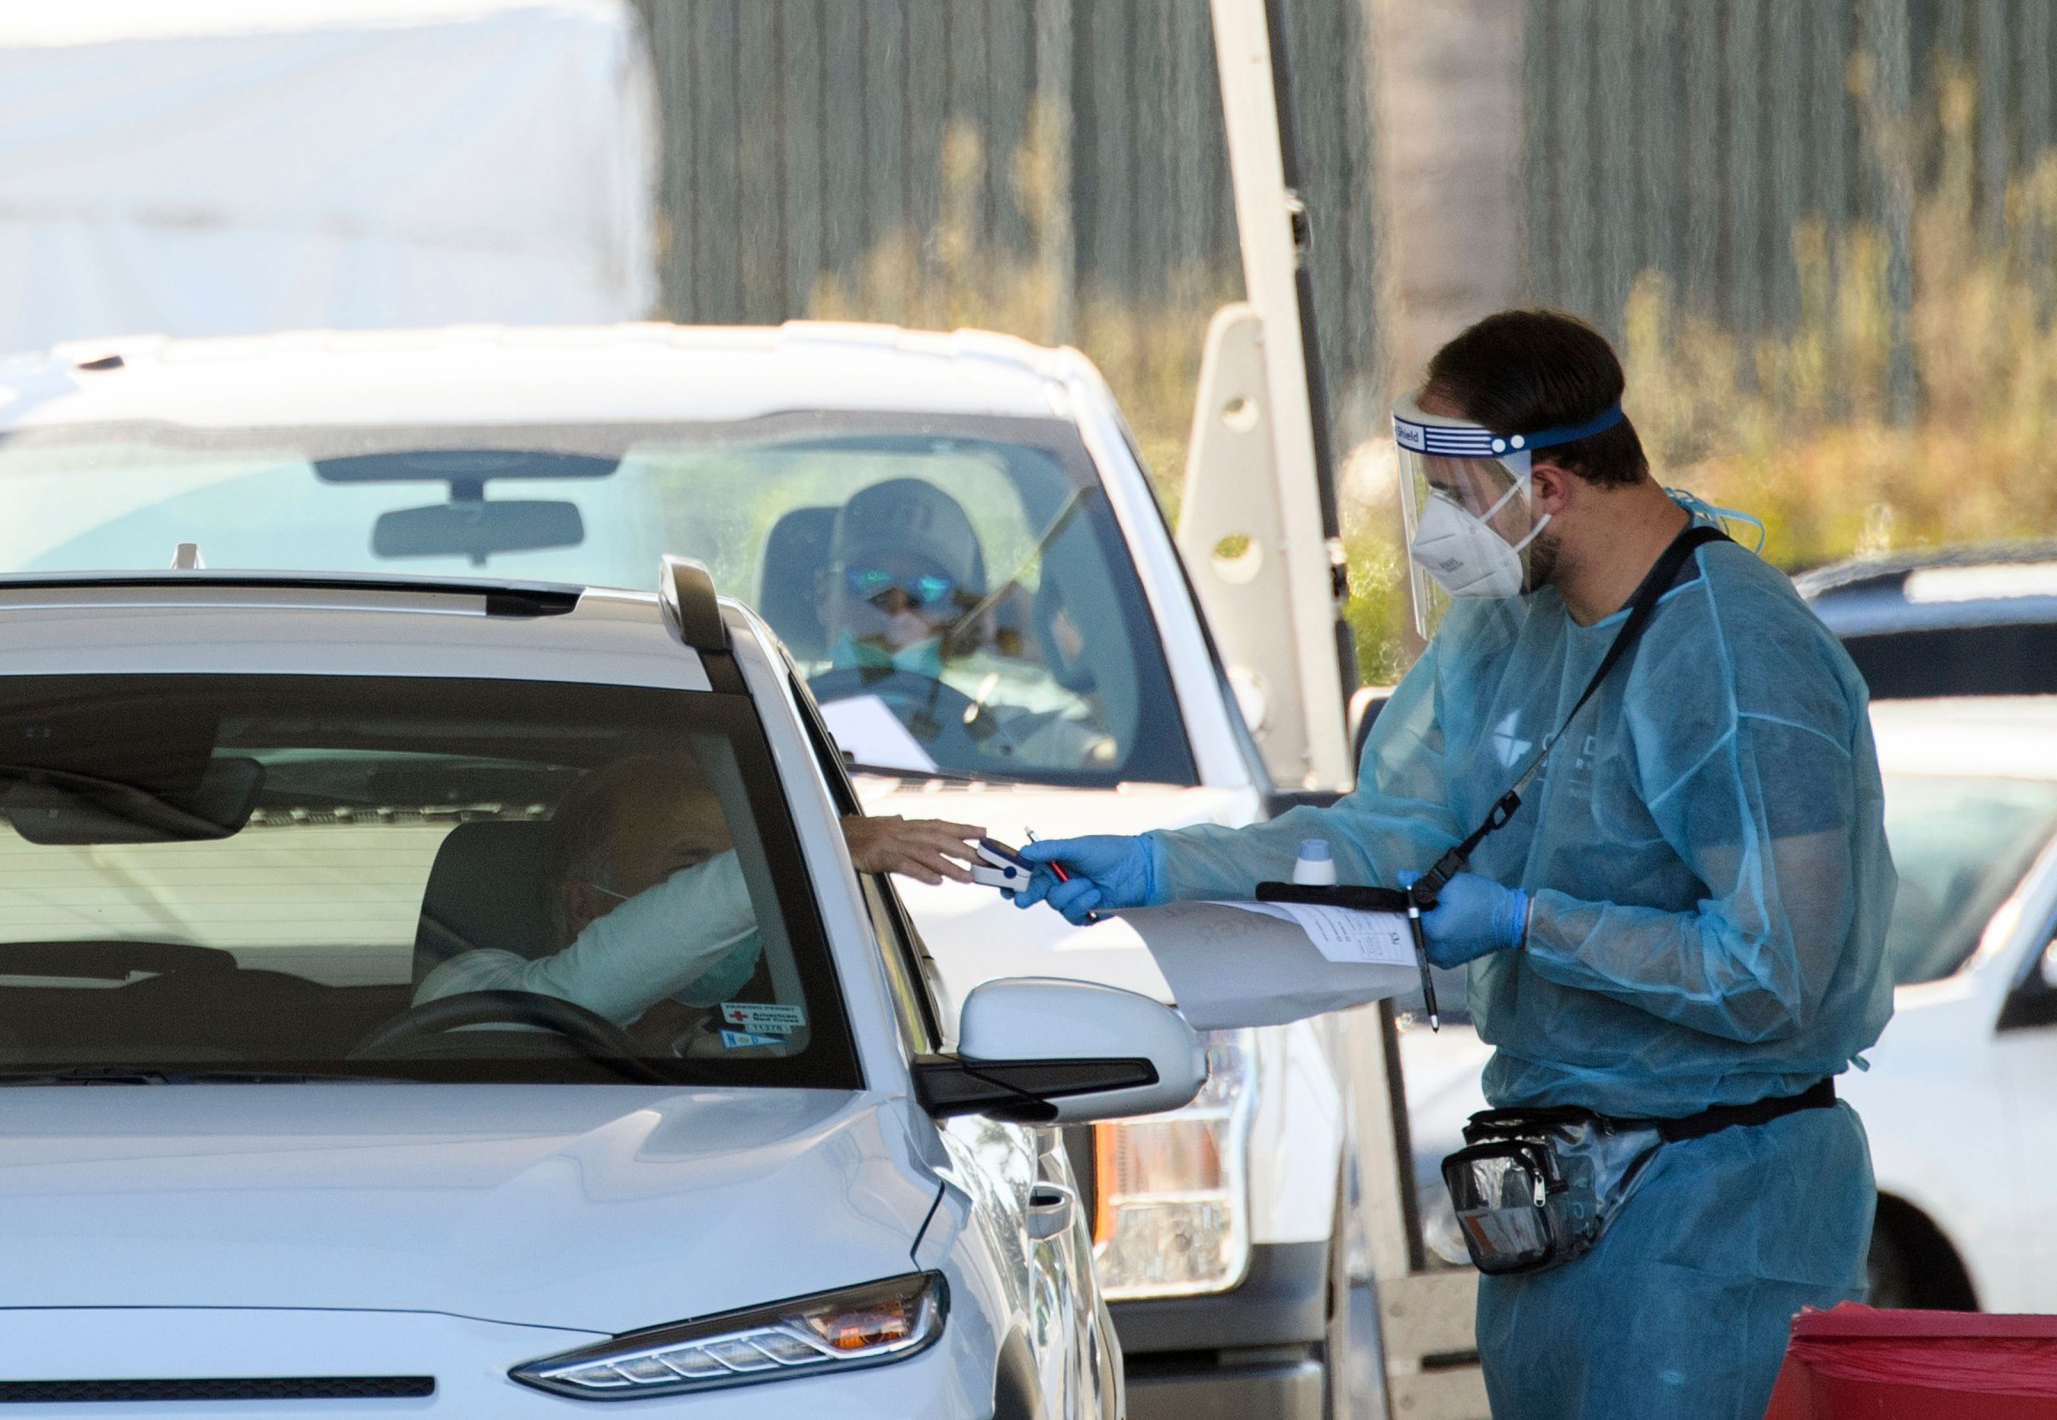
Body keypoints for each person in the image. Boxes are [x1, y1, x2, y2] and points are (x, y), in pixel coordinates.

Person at [1014, 310, 1894, 1420]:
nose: (1439, 530)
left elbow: (1777, 971)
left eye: (1453, 495)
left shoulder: (1735, 657)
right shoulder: (1511, 633)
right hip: (1555, 1204)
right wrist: (1164, 867)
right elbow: (1392, 837)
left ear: (1550, 486)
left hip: (1713, 1224)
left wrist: (1531, 921)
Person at [413, 750, 985, 1046]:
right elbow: (573, 1000)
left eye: (739, 861)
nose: (747, 896)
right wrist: (802, 850)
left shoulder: (805, 1015)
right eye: (690, 870)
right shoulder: (467, 984)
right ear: (583, 905)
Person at [810, 477, 1112, 769]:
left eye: (930, 589)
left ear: (960, 618)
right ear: (824, 595)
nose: (898, 612)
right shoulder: (772, 718)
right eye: (871, 582)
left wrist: (1057, 644)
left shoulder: (1013, 736)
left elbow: (1137, 755)